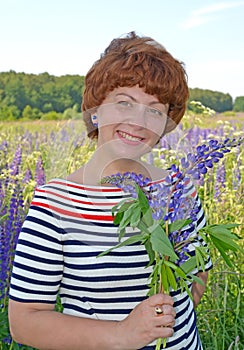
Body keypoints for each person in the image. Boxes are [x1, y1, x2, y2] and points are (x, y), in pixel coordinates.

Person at [9, 31, 212, 349]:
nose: (138, 121)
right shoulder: (54, 205)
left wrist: (172, 310)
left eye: (155, 110)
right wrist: (122, 335)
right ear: (95, 111)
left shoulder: (181, 191)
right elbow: (24, 322)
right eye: (124, 103)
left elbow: (199, 271)